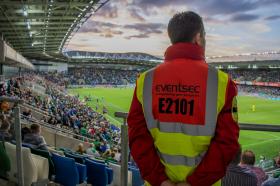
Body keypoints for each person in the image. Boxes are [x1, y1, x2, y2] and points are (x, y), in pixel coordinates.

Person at [127, 11, 240, 186]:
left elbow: (136, 136)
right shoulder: (223, 83)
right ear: (198, 37)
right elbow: (227, 143)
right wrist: (194, 182)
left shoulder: (145, 80)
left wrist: (160, 180)